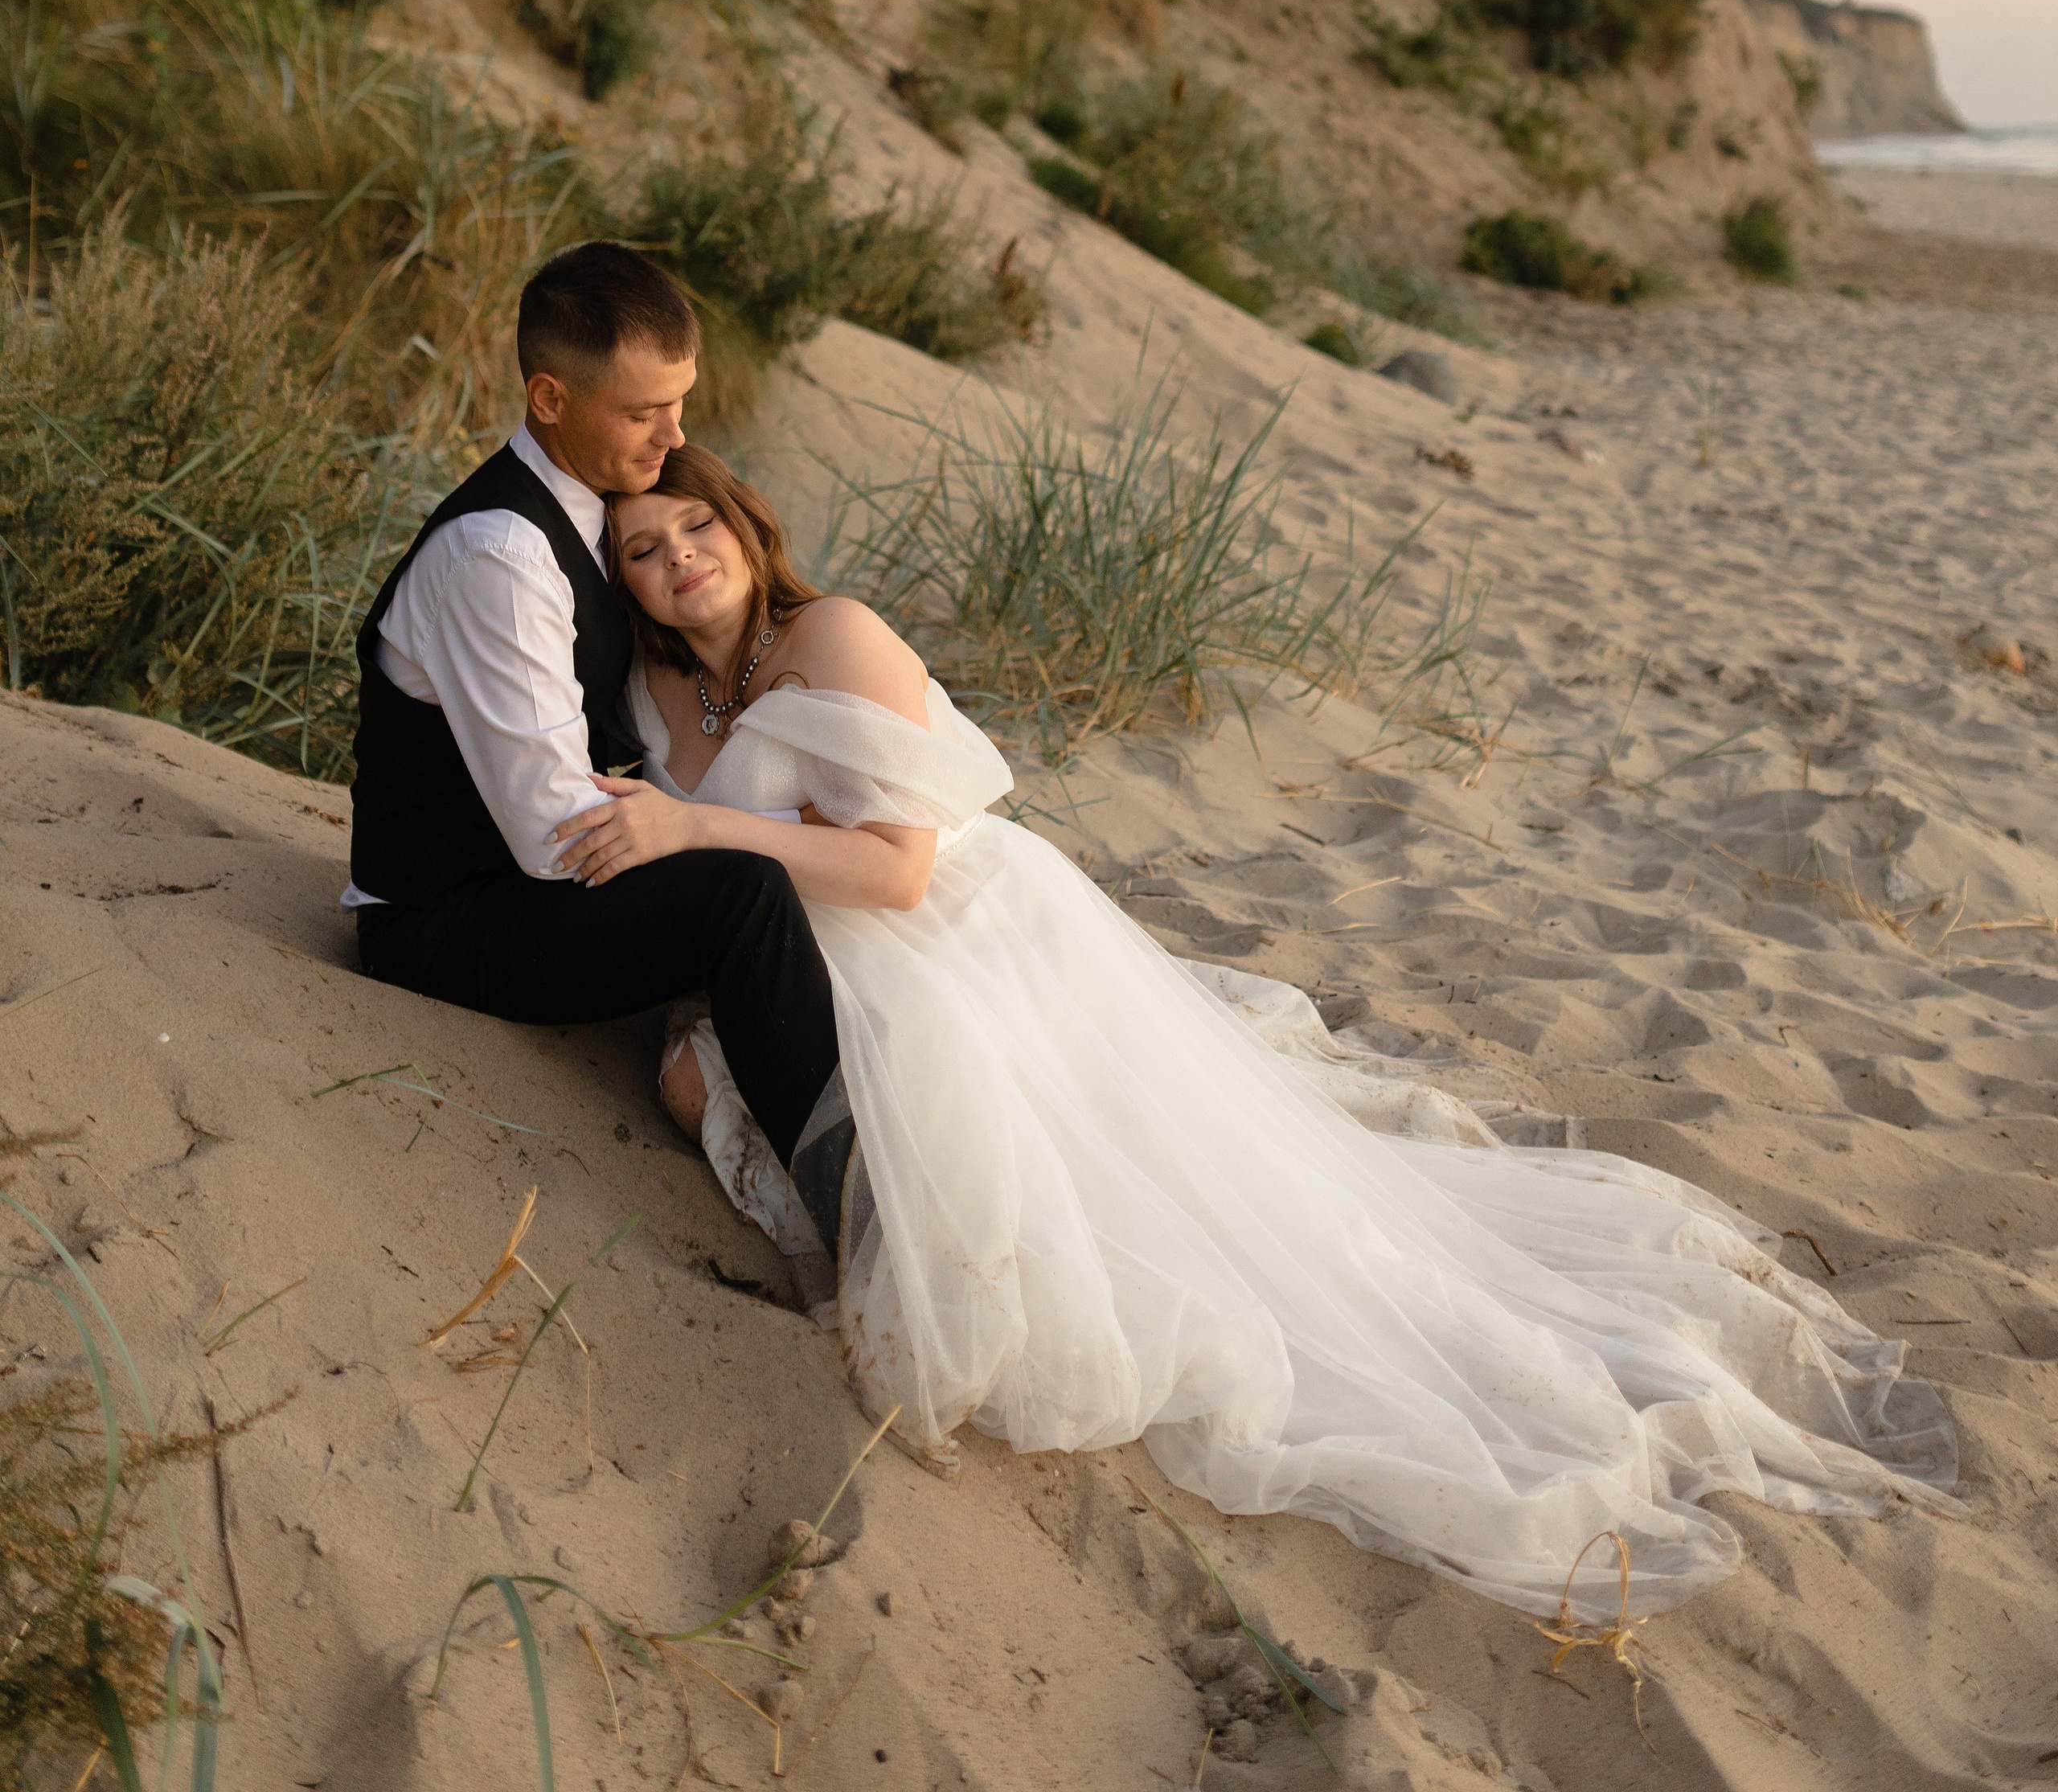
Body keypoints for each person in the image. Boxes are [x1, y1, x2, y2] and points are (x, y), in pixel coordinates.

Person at [551, 441, 1962, 1627]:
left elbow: (899, 867)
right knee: (708, 1079)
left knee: (1097, 1187)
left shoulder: (833, 632)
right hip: (812, 946)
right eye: (643, 547)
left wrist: (692, 821)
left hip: (949, 925)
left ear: (747, 523)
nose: (680, 554)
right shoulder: (656, 693)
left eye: (697, 521)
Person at [346, 243, 859, 1257]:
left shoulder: (596, 520)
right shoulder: (499, 553)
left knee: (778, 882)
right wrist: (738, 826)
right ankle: (851, 1205)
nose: (675, 436)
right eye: (642, 412)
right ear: (549, 395)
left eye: (682, 402)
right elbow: (553, 837)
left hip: (511, 883)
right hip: (441, 919)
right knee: (742, 891)